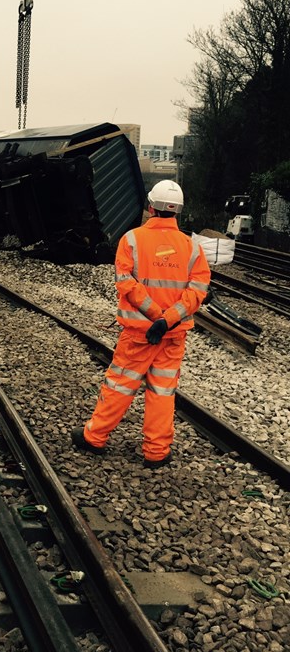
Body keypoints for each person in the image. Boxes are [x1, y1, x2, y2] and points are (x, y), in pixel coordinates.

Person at [72, 180, 211, 469]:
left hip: (138, 333)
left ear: (150, 207)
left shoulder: (131, 240)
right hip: (172, 337)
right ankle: (156, 452)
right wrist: (167, 320)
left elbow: (126, 283)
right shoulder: (192, 248)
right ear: (178, 213)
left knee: (121, 384)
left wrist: (153, 316)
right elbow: (197, 292)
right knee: (162, 390)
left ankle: (95, 437)